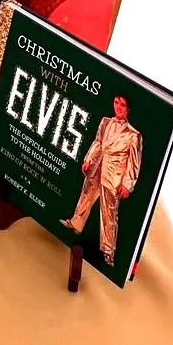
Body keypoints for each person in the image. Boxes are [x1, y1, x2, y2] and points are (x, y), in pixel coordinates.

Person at [61, 94, 142, 266]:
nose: (118, 107)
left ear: (128, 109)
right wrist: (88, 159)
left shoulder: (133, 135)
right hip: (96, 166)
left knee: (108, 213)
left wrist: (127, 184)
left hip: (113, 177)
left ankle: (108, 251)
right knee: (86, 196)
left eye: (122, 105)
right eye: (116, 103)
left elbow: (134, 163)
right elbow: (97, 142)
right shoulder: (105, 122)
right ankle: (76, 223)